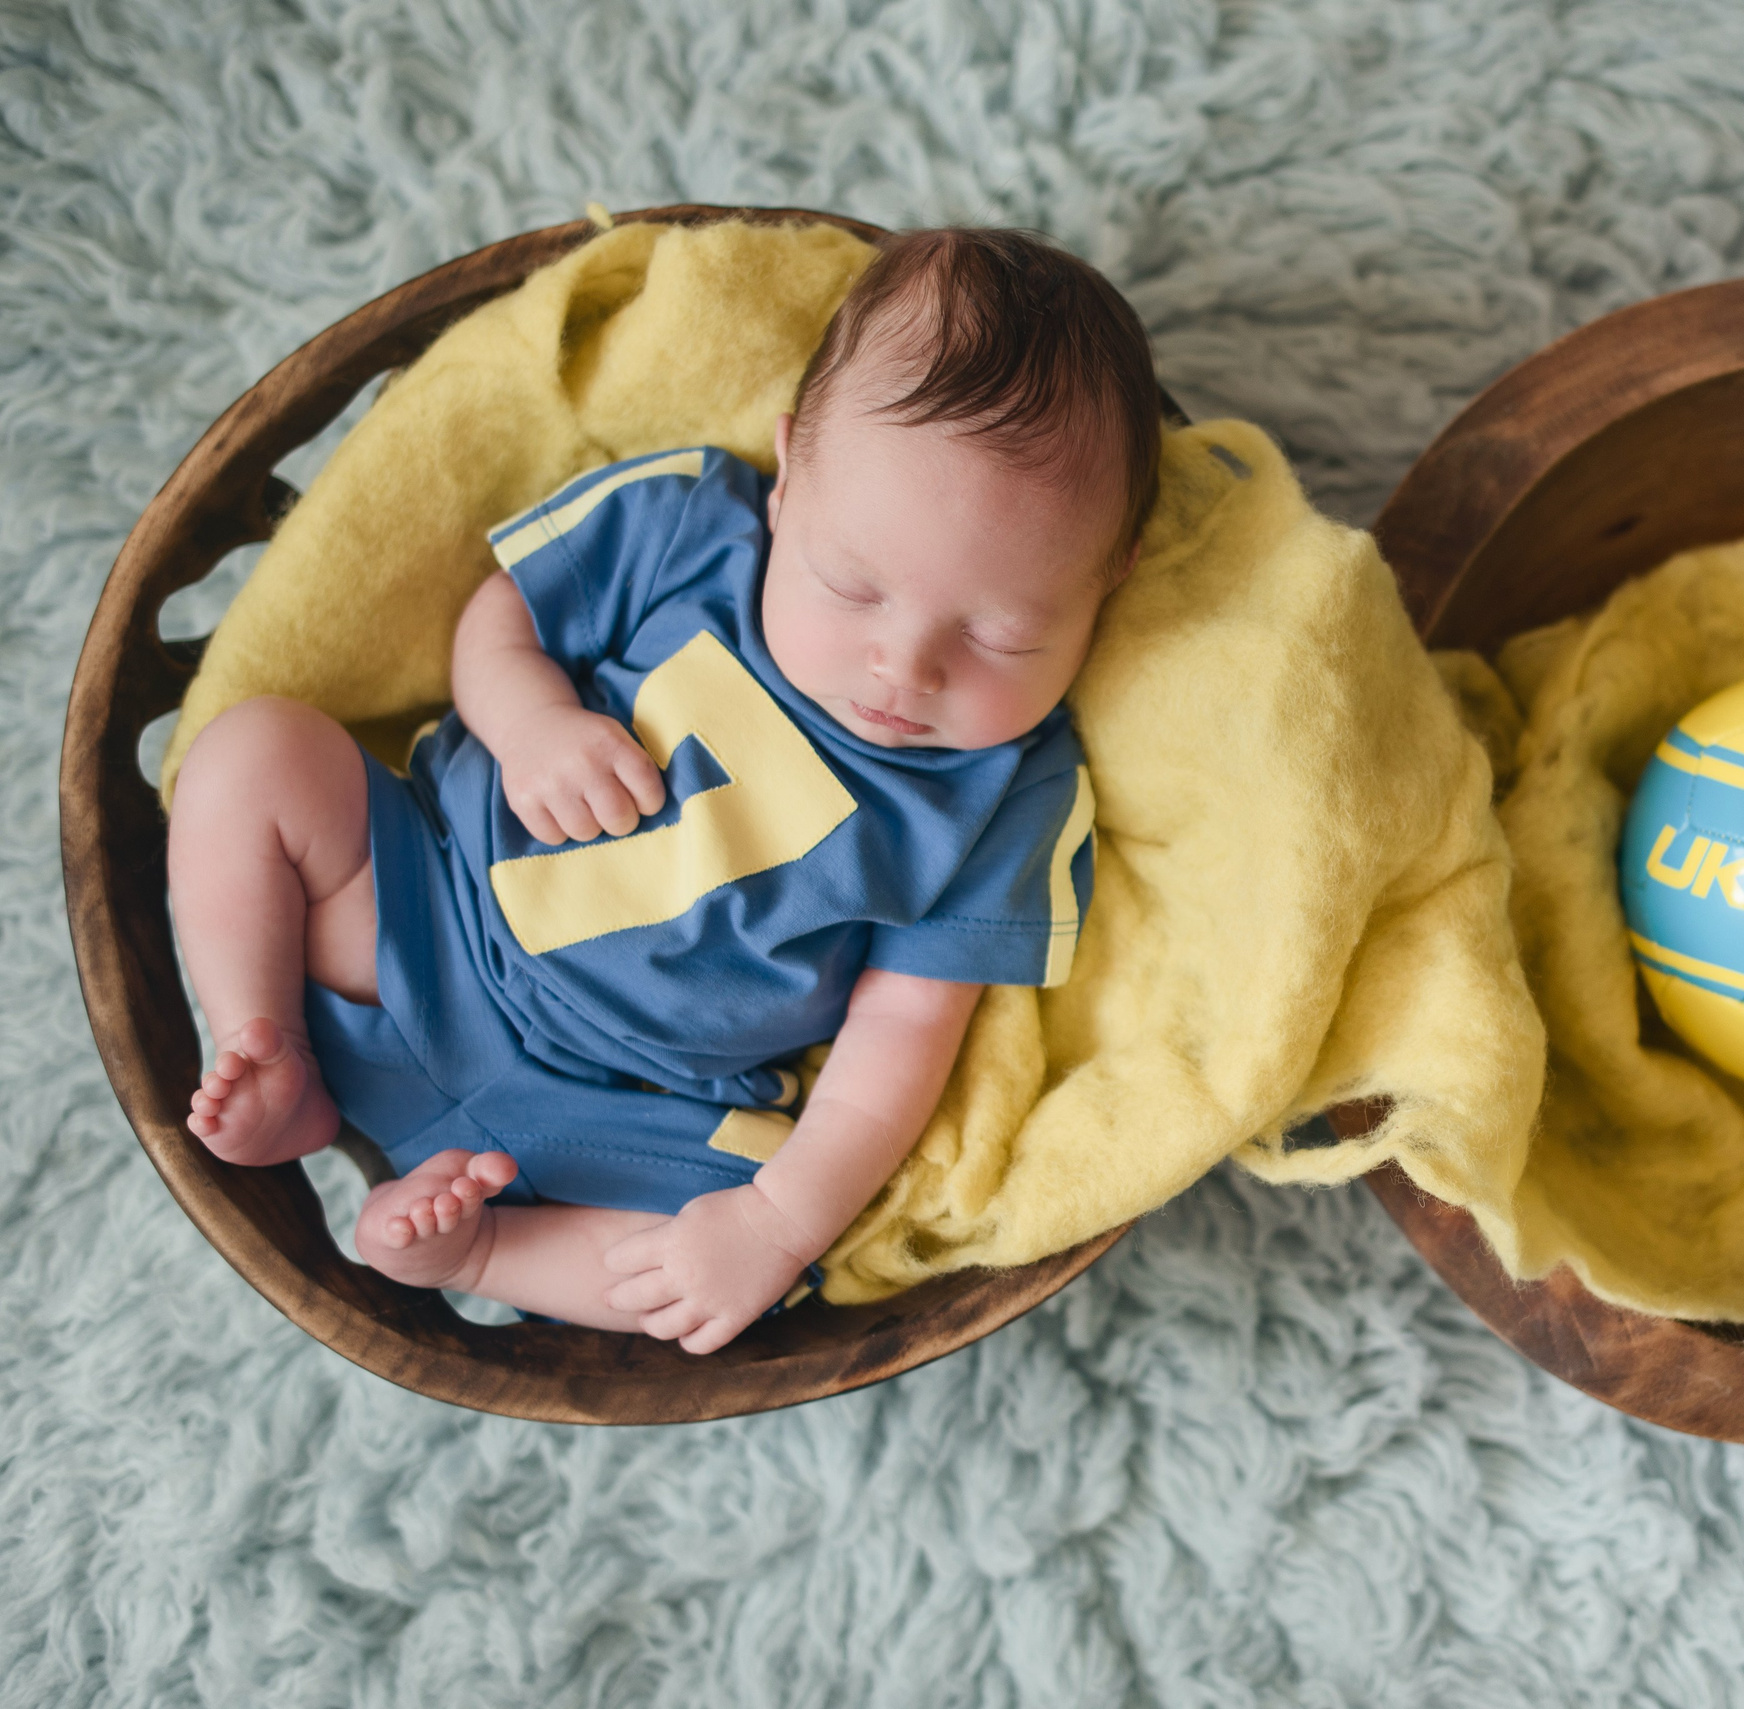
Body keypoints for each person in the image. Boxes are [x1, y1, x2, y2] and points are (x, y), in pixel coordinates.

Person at [165, 227, 1158, 1353]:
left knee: (755, 1259)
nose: (906, 666)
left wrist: (775, 1219)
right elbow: (505, 611)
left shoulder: (1015, 789)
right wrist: (530, 721)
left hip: (624, 1109)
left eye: (999, 634)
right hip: (412, 920)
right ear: (789, 479)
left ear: (1106, 581)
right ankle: (266, 1035)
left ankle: (479, 1251)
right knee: (257, 750)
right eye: (852, 584)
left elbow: (906, 1028)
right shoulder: (689, 523)